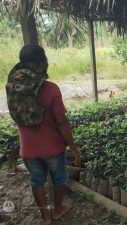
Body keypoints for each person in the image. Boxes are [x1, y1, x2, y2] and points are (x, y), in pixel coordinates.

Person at [9, 44, 81, 225]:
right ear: (42, 63)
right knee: (59, 178)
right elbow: (61, 121)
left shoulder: (12, 88)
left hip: (28, 148)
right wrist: (73, 147)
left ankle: (45, 217)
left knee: (36, 181)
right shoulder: (51, 89)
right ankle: (57, 210)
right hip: (53, 148)